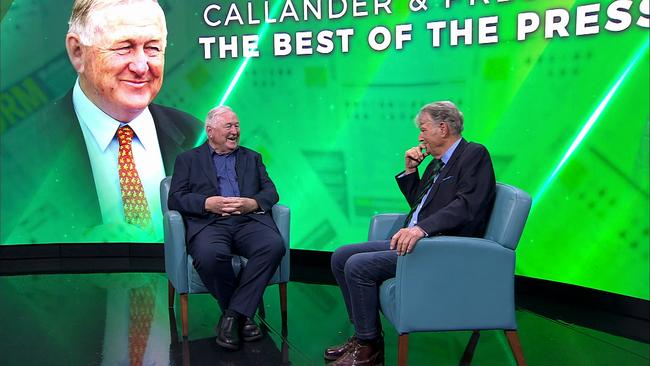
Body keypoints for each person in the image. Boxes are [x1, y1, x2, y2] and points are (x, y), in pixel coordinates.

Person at [0, 0, 202, 244]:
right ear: (77, 51)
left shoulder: (196, 137)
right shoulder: (19, 150)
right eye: (124, 48)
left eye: (152, 48)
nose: (141, 66)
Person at [325, 101, 496, 365]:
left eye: (424, 128)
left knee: (358, 266)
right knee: (340, 256)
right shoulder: (436, 164)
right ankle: (363, 336)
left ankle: (369, 346)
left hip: (443, 248)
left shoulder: (474, 154)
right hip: (420, 241)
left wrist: (421, 229)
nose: (420, 136)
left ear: (442, 128)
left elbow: (467, 205)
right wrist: (410, 171)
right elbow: (420, 204)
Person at [167, 106, 286, 351]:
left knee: (273, 245)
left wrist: (251, 203)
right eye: (228, 126)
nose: (235, 132)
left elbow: (271, 192)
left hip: (247, 222)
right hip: (210, 223)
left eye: (237, 126)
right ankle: (243, 317)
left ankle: (231, 316)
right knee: (209, 256)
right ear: (210, 132)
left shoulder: (252, 158)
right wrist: (206, 203)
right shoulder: (188, 160)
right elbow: (175, 198)